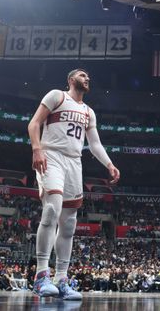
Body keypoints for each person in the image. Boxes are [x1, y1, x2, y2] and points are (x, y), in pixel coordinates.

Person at [28, 69, 120, 299]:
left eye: (88, 76)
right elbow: (34, 123)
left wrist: (109, 164)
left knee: (69, 224)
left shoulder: (89, 112)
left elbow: (95, 144)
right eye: (82, 75)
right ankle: (41, 275)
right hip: (52, 156)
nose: (87, 78)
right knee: (51, 209)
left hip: (74, 162)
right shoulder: (57, 96)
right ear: (70, 80)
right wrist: (37, 149)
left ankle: (61, 279)